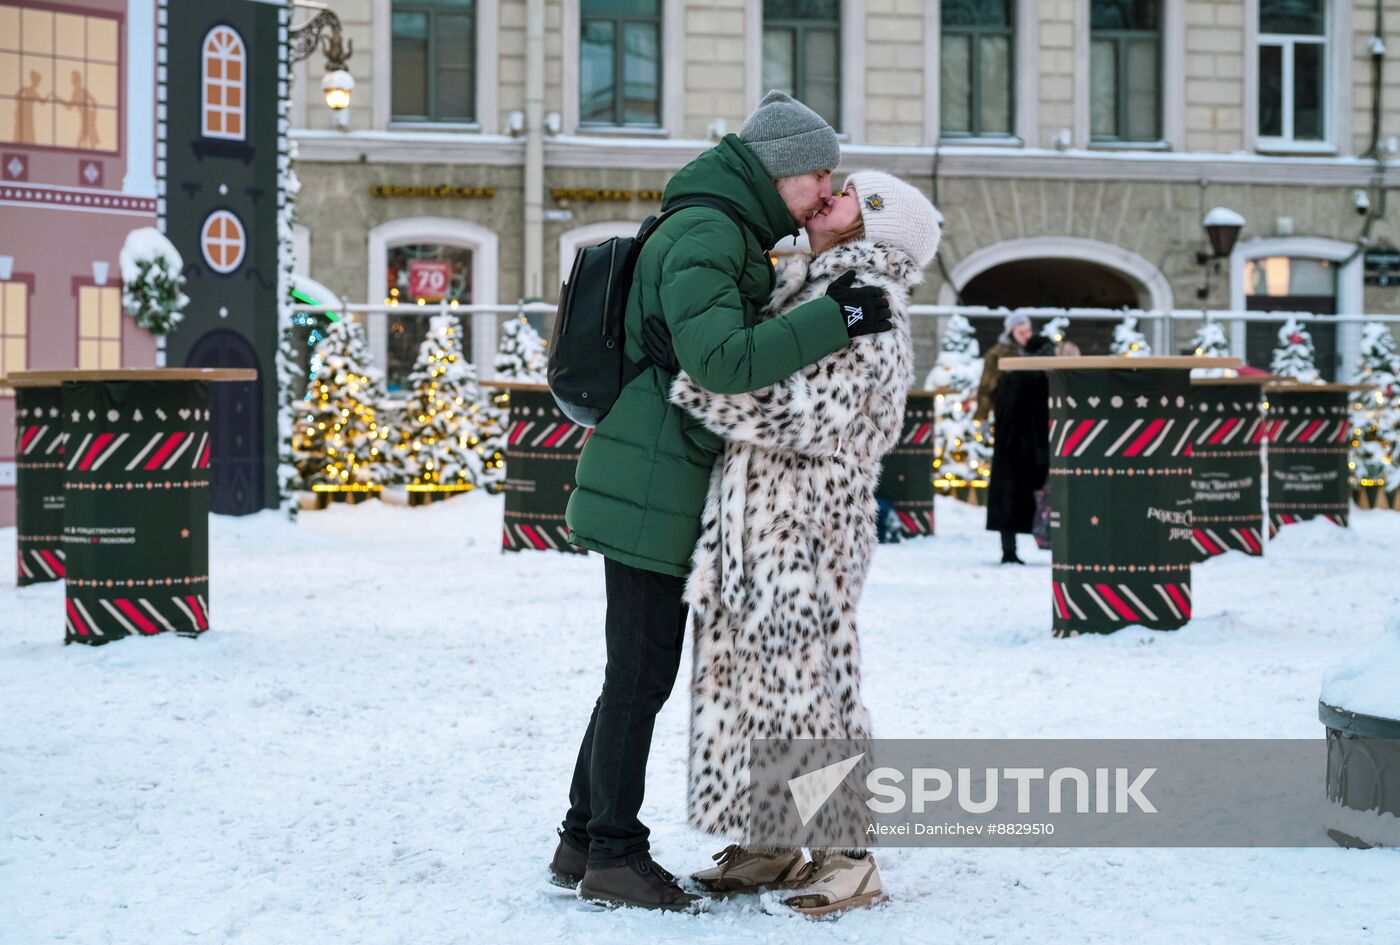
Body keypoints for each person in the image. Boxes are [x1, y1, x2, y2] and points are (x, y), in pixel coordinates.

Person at [552, 92, 896, 912]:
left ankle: (580, 837)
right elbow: (724, 363)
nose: (825, 189)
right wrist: (834, 317)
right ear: (782, 171)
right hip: (654, 484)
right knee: (639, 676)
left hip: (657, 475)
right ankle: (612, 853)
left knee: (632, 675)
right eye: (819, 173)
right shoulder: (709, 232)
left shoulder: (722, 225)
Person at [668, 171, 941, 916]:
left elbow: (815, 415)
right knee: (750, 676)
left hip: (809, 519)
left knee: (809, 686)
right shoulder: (806, 289)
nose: (833, 195)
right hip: (754, 519)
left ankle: (848, 854)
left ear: (875, 228)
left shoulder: (869, 301)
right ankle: (775, 834)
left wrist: (705, 388)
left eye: (854, 196)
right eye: (839, 185)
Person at [977, 314, 1053, 563]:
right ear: (1011, 331)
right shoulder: (1000, 353)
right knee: (1009, 489)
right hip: (1011, 429)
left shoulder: (1035, 352)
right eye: (1022, 331)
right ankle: (1009, 548)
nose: (1026, 334)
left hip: (1027, 431)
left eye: (1028, 329)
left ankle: (1024, 542)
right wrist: (984, 417)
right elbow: (987, 386)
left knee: (1020, 489)